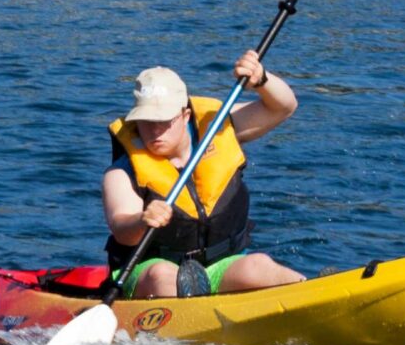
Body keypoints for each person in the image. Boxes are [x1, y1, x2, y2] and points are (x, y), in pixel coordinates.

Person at [100, 55, 309, 299]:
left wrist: (262, 80)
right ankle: (189, 308)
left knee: (259, 265)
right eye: (146, 121)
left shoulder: (218, 128)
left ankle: (314, 295)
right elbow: (122, 230)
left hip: (220, 265)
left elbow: (284, 107)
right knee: (163, 276)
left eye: (164, 120)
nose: (155, 130)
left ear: (185, 115)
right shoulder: (121, 172)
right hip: (148, 270)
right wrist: (142, 220)